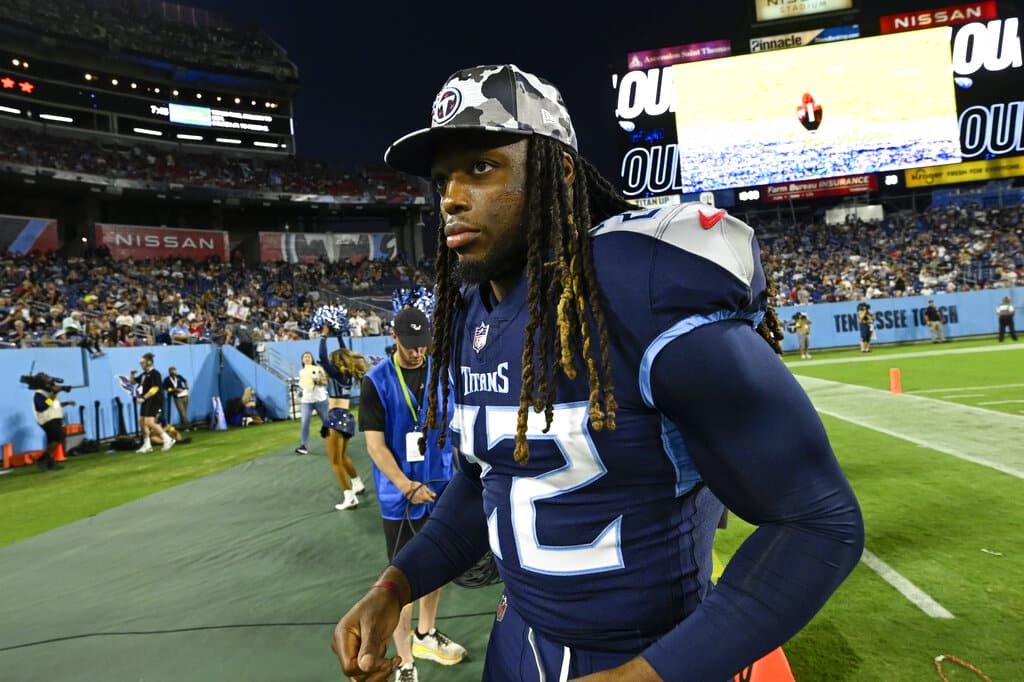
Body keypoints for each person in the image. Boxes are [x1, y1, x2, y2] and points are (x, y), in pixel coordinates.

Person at [332, 64, 864, 681]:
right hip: (518, 647)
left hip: (659, 654)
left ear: (555, 170)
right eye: (443, 177)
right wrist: (396, 584)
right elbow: (489, 482)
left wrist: (648, 676)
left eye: (481, 167)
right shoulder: (469, 313)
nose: (450, 196)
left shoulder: (644, 290)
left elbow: (818, 521)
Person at [356, 307, 467, 681]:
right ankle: (405, 662)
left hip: (440, 488)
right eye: (411, 346)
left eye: (423, 346)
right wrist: (407, 486)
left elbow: (454, 429)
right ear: (394, 337)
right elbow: (375, 446)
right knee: (402, 582)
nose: (418, 353)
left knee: (435, 571)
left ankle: (426, 634)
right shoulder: (376, 381)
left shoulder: (441, 372)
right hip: (400, 497)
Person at [319, 324, 368, 511]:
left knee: (335, 461)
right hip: (347, 417)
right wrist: (339, 335)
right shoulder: (347, 374)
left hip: (335, 417)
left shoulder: (336, 373)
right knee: (342, 456)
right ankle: (357, 483)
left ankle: (350, 497)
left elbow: (323, 358)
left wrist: (324, 336)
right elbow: (343, 352)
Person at [130, 352, 174, 453]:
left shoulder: (155, 373)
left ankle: (168, 439)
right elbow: (132, 382)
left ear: (149, 363)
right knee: (141, 421)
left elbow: (155, 388)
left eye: (143, 363)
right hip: (147, 401)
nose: (141, 365)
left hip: (155, 400)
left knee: (149, 422)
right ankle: (147, 445)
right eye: (140, 363)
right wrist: (132, 374)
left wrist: (144, 398)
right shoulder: (144, 375)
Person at [30, 374, 73, 472]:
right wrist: (54, 393)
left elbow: (54, 404)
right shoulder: (39, 394)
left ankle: (49, 462)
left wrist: (66, 402)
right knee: (58, 437)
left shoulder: (48, 393)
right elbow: (43, 407)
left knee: (55, 439)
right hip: (47, 419)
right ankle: (43, 459)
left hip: (54, 418)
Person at [295, 350, 329, 455]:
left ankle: (334, 442)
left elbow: (325, 382)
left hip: (320, 400)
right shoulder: (301, 372)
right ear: (302, 360)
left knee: (327, 423)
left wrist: (318, 380)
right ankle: (303, 445)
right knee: (305, 422)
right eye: (304, 357)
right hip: (307, 401)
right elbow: (303, 385)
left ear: (312, 359)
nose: (307, 358)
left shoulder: (319, 369)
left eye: (308, 356)